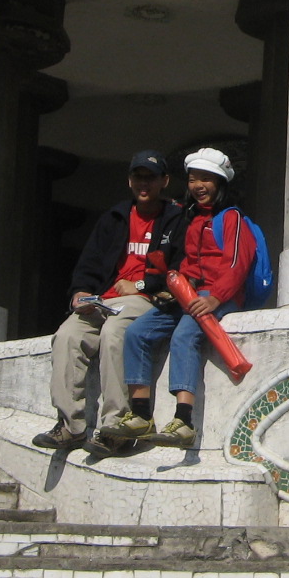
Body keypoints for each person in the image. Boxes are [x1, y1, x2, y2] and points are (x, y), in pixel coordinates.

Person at [102, 147, 254, 448]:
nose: (198, 186)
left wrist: (214, 298)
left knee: (185, 335)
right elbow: (184, 262)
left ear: (221, 183)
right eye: (194, 179)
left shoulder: (231, 217)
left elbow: (238, 264)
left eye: (206, 180)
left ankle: (184, 421)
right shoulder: (189, 217)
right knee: (136, 333)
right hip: (185, 295)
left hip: (215, 296)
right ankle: (141, 415)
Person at [33, 151, 182, 456]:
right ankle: (70, 426)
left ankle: (117, 426)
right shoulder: (114, 217)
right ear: (129, 180)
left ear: (164, 181)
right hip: (104, 299)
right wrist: (80, 293)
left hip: (145, 298)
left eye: (151, 177)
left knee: (115, 332)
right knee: (67, 335)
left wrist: (141, 284)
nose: (144, 183)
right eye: (138, 176)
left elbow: (180, 268)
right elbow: (88, 265)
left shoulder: (176, 218)